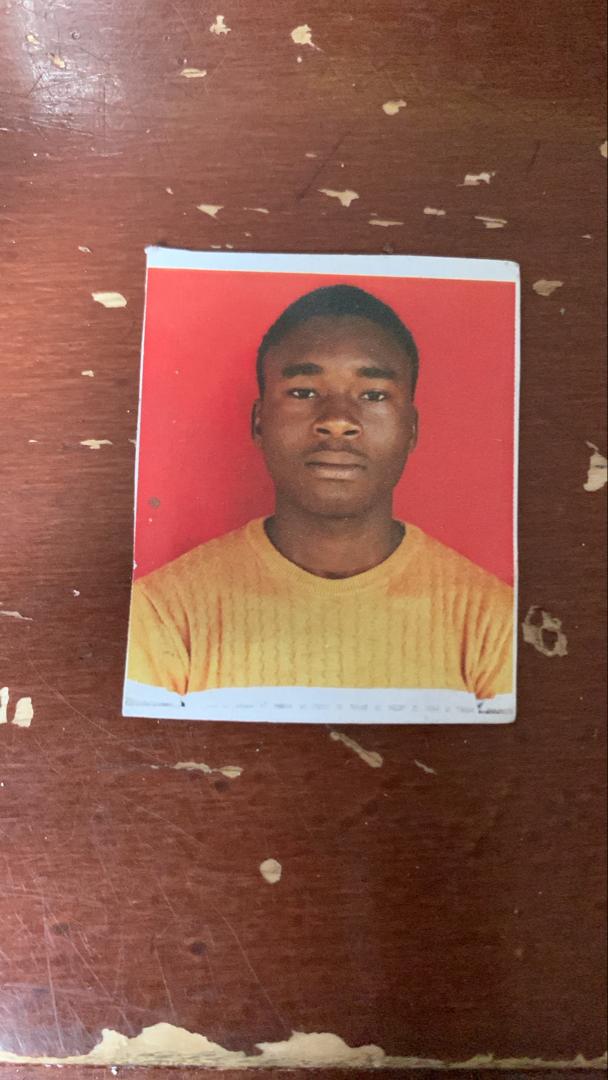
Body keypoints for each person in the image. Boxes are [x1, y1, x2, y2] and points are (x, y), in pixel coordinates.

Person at [127, 283, 513, 700]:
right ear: (259, 422)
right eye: (304, 392)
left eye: (374, 395)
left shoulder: (492, 621)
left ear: (412, 429)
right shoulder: (163, 613)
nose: (338, 421)